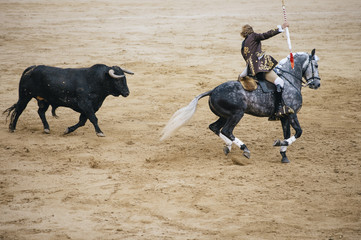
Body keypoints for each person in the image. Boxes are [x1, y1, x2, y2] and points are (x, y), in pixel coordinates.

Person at [239, 23, 294, 118]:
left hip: (250, 69)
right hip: (260, 68)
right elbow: (265, 35)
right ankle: (279, 108)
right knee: (279, 82)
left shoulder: (243, 43)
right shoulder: (254, 36)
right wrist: (280, 28)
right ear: (251, 31)